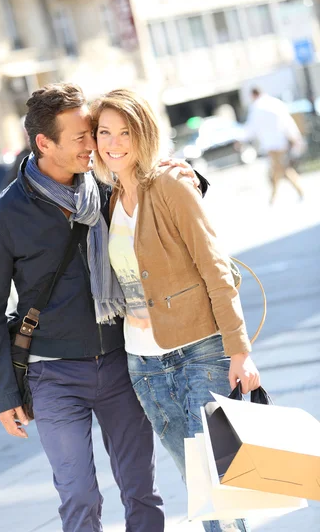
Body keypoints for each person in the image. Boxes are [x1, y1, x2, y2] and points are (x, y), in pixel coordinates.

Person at [0, 83, 205, 532]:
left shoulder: (109, 185)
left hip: (121, 363)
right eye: (81, 137)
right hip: (52, 375)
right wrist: (1, 396)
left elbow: (161, 210)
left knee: (141, 490)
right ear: (44, 143)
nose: (93, 144)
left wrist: (188, 175)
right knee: (79, 495)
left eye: (92, 133)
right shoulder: (2, 217)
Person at [91, 89, 261, 532]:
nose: (114, 142)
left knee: (219, 480)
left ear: (144, 133)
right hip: (143, 363)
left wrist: (239, 349)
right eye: (105, 132)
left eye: (125, 132)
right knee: (199, 483)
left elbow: (215, 269)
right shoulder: (108, 198)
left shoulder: (170, 184)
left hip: (199, 351)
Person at [245, 88, 305, 204]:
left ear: (253, 95)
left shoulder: (256, 107)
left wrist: (242, 139)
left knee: (280, 169)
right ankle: (275, 196)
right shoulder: (275, 103)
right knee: (280, 168)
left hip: (270, 145)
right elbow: (287, 122)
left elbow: (250, 128)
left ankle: (276, 196)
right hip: (281, 142)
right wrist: (295, 137)